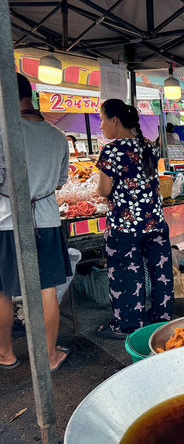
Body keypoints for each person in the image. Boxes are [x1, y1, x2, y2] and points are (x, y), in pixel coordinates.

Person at [0, 73, 71, 371]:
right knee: (48, 290)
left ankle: (5, 354)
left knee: (3, 289)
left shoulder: (3, 131)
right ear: (29, 95)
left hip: (5, 221)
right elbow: (60, 181)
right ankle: (49, 355)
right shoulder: (56, 136)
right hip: (46, 220)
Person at [96, 99, 174, 339]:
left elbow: (104, 190)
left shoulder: (111, 150)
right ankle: (163, 318)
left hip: (125, 227)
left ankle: (128, 325)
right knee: (160, 271)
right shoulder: (147, 145)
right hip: (154, 222)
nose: (101, 125)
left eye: (102, 119)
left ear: (115, 120)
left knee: (126, 273)